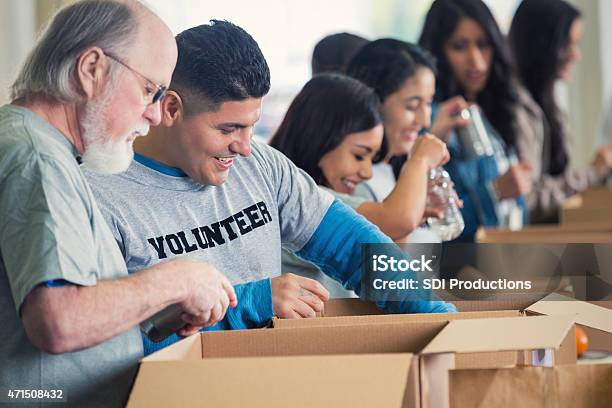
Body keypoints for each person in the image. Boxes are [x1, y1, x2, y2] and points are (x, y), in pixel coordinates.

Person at [85, 20, 457, 352]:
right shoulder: (103, 196)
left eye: (250, 125)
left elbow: (355, 248)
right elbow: (114, 344)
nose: (244, 147)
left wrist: (442, 317)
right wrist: (254, 302)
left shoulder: (260, 165)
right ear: (170, 108)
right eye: (228, 129)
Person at [0, 1, 237, 407]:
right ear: (92, 68)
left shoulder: (42, 149)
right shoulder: (37, 158)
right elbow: (58, 321)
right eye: (149, 90)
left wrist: (165, 306)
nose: (156, 114)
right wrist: (177, 279)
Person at [270, 73, 449, 297]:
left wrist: (412, 217)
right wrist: (419, 160)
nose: (367, 172)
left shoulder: (341, 194)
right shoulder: (302, 199)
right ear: (319, 138)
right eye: (358, 155)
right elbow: (397, 220)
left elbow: (389, 255)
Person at [418, 0, 534, 241]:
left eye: (483, 45)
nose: (476, 60)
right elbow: (432, 230)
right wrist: (495, 192)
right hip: (461, 273)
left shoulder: (494, 110)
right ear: (438, 52)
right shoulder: (431, 123)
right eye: (460, 46)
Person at [346, 39, 462, 243]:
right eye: (412, 106)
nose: (424, 120)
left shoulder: (393, 172)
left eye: (428, 103)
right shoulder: (356, 182)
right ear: (375, 102)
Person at [509, 0, 612, 223]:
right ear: (542, 44)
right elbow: (530, 201)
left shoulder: (544, 103)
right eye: (568, 44)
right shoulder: (517, 109)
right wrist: (593, 172)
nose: (576, 55)